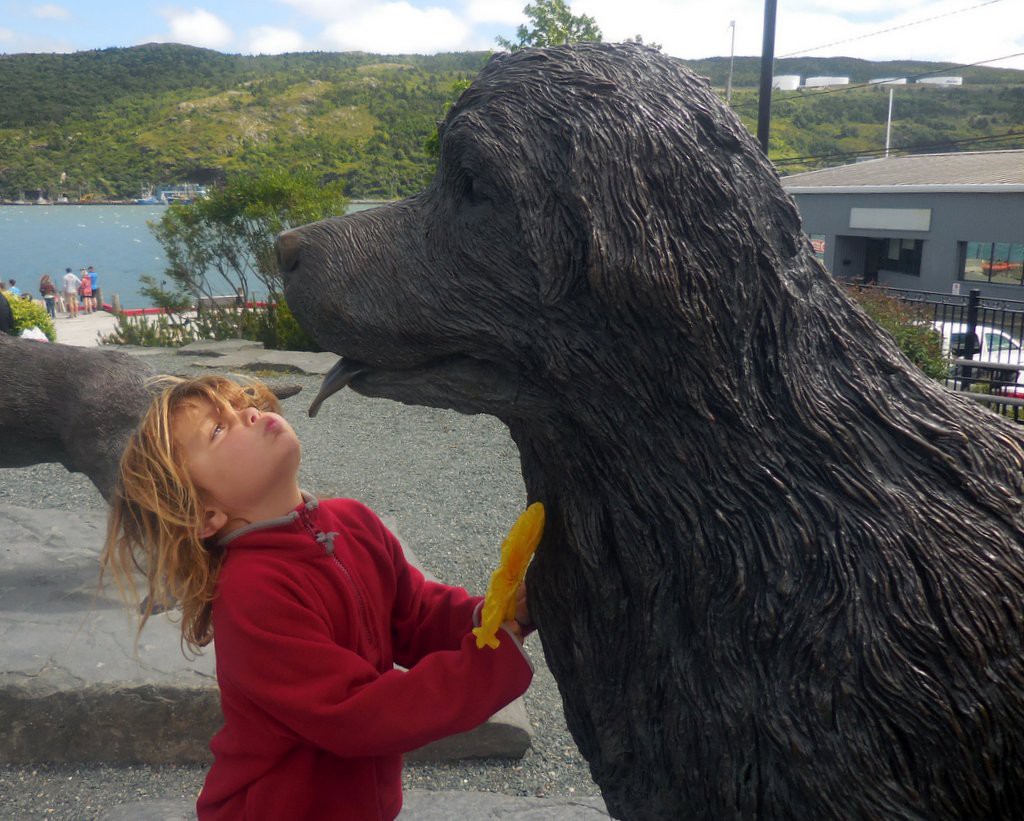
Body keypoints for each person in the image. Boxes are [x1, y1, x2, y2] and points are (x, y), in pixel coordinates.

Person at [101, 375, 534, 820]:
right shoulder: (251, 594)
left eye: (240, 405)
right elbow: (355, 712)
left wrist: (491, 616)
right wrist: (487, 664)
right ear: (205, 514)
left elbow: (415, 614)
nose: (250, 413)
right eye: (217, 430)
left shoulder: (353, 520)